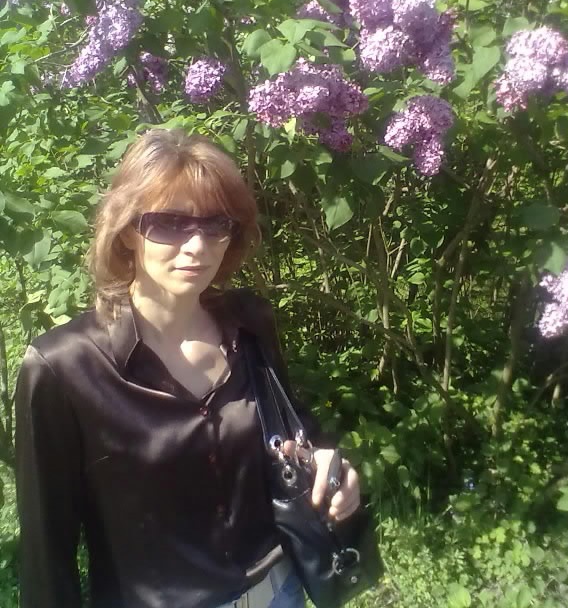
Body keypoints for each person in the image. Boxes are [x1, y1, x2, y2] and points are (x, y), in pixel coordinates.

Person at [14, 127, 361, 608]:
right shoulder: (63, 367)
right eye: (171, 223)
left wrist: (327, 463)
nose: (198, 246)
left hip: (278, 591)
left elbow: (292, 427)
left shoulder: (249, 325)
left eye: (216, 224)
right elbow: (46, 555)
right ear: (128, 230)